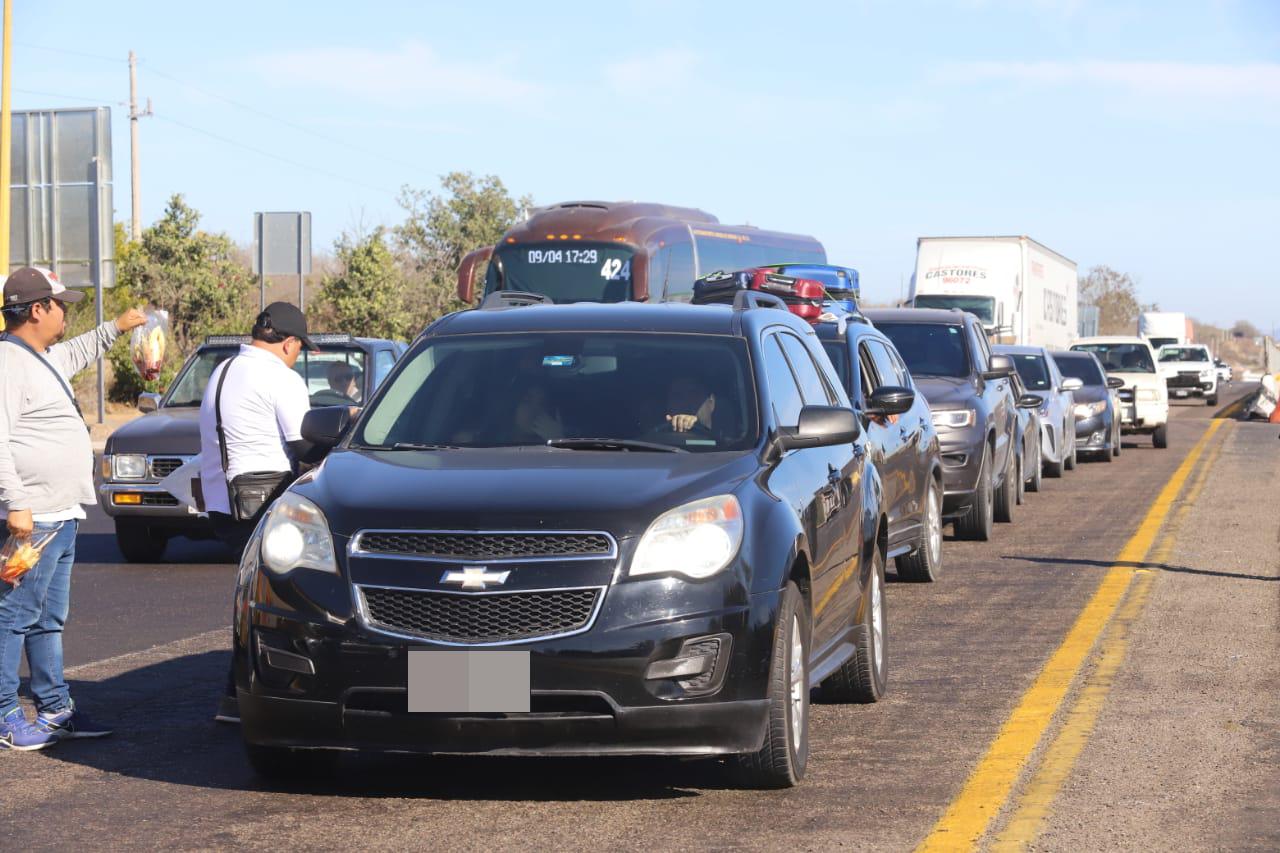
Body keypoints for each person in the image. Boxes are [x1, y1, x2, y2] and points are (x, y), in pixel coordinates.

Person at [0, 267, 146, 750]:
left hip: (60, 513)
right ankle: (4, 716)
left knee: (48, 618)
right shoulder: (7, 361)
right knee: (14, 615)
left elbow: (80, 350)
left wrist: (119, 327)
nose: (66, 312)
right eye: (61, 304)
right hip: (32, 517)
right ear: (37, 309)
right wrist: (16, 503)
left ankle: (54, 708)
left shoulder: (39, 356)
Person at [197, 302, 317, 724]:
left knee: (252, 594)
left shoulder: (223, 370)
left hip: (221, 502)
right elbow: (306, 444)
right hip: (262, 499)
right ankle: (252, 695)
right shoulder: (278, 377)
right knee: (277, 599)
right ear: (288, 343)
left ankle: (234, 696)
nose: (298, 355)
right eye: (300, 348)